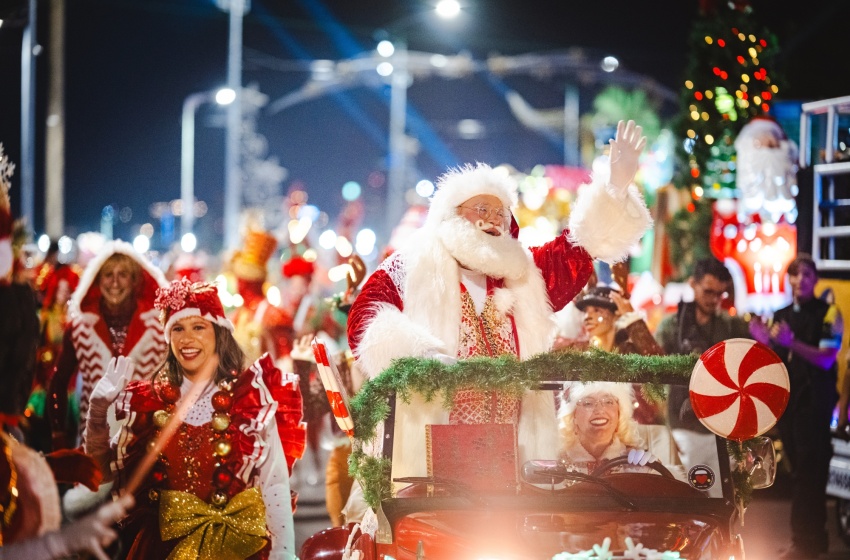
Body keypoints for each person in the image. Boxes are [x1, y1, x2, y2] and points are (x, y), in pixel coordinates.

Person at [347, 120, 652, 491]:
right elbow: (366, 317)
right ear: (454, 214)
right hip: (435, 452)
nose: (494, 220)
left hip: (514, 452)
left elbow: (577, 249)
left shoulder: (521, 271)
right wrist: (421, 354)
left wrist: (615, 188)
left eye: (501, 214)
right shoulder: (411, 264)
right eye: (483, 209)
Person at [83, 277, 306, 559]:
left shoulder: (249, 400)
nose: (187, 339)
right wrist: (98, 412)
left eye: (198, 327)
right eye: (177, 328)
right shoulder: (150, 404)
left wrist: (283, 552)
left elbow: (274, 483)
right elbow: (100, 472)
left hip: (240, 549)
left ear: (219, 334)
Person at [750, 254, 844, 559]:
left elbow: (827, 358)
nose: (800, 280)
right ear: (788, 280)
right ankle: (810, 541)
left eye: (806, 274)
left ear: (815, 280)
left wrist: (791, 343)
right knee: (800, 473)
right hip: (788, 404)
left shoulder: (829, 313)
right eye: (794, 274)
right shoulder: (782, 314)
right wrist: (763, 341)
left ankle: (806, 542)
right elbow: (775, 360)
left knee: (810, 473)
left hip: (815, 404)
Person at [47, 240, 168, 450]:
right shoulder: (80, 326)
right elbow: (59, 380)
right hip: (94, 441)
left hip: (146, 444)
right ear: (97, 280)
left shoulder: (158, 327)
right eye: (108, 274)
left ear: (134, 281)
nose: (115, 282)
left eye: (122, 275)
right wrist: (58, 433)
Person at [654, 257, 750, 471]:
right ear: (692, 284)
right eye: (708, 292)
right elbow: (653, 367)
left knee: (723, 499)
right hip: (684, 427)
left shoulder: (731, 326)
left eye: (720, 294)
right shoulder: (671, 326)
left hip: (723, 428)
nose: (714, 299)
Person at [558, 382, 657, 473]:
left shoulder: (636, 463)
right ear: (573, 416)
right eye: (588, 403)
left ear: (619, 413)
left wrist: (651, 470)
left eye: (608, 402)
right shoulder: (554, 461)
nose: (600, 410)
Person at [558, 285, 663, 356]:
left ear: (616, 315)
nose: (587, 317)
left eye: (597, 310)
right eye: (586, 311)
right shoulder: (577, 351)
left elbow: (658, 362)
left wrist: (631, 317)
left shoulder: (628, 353)